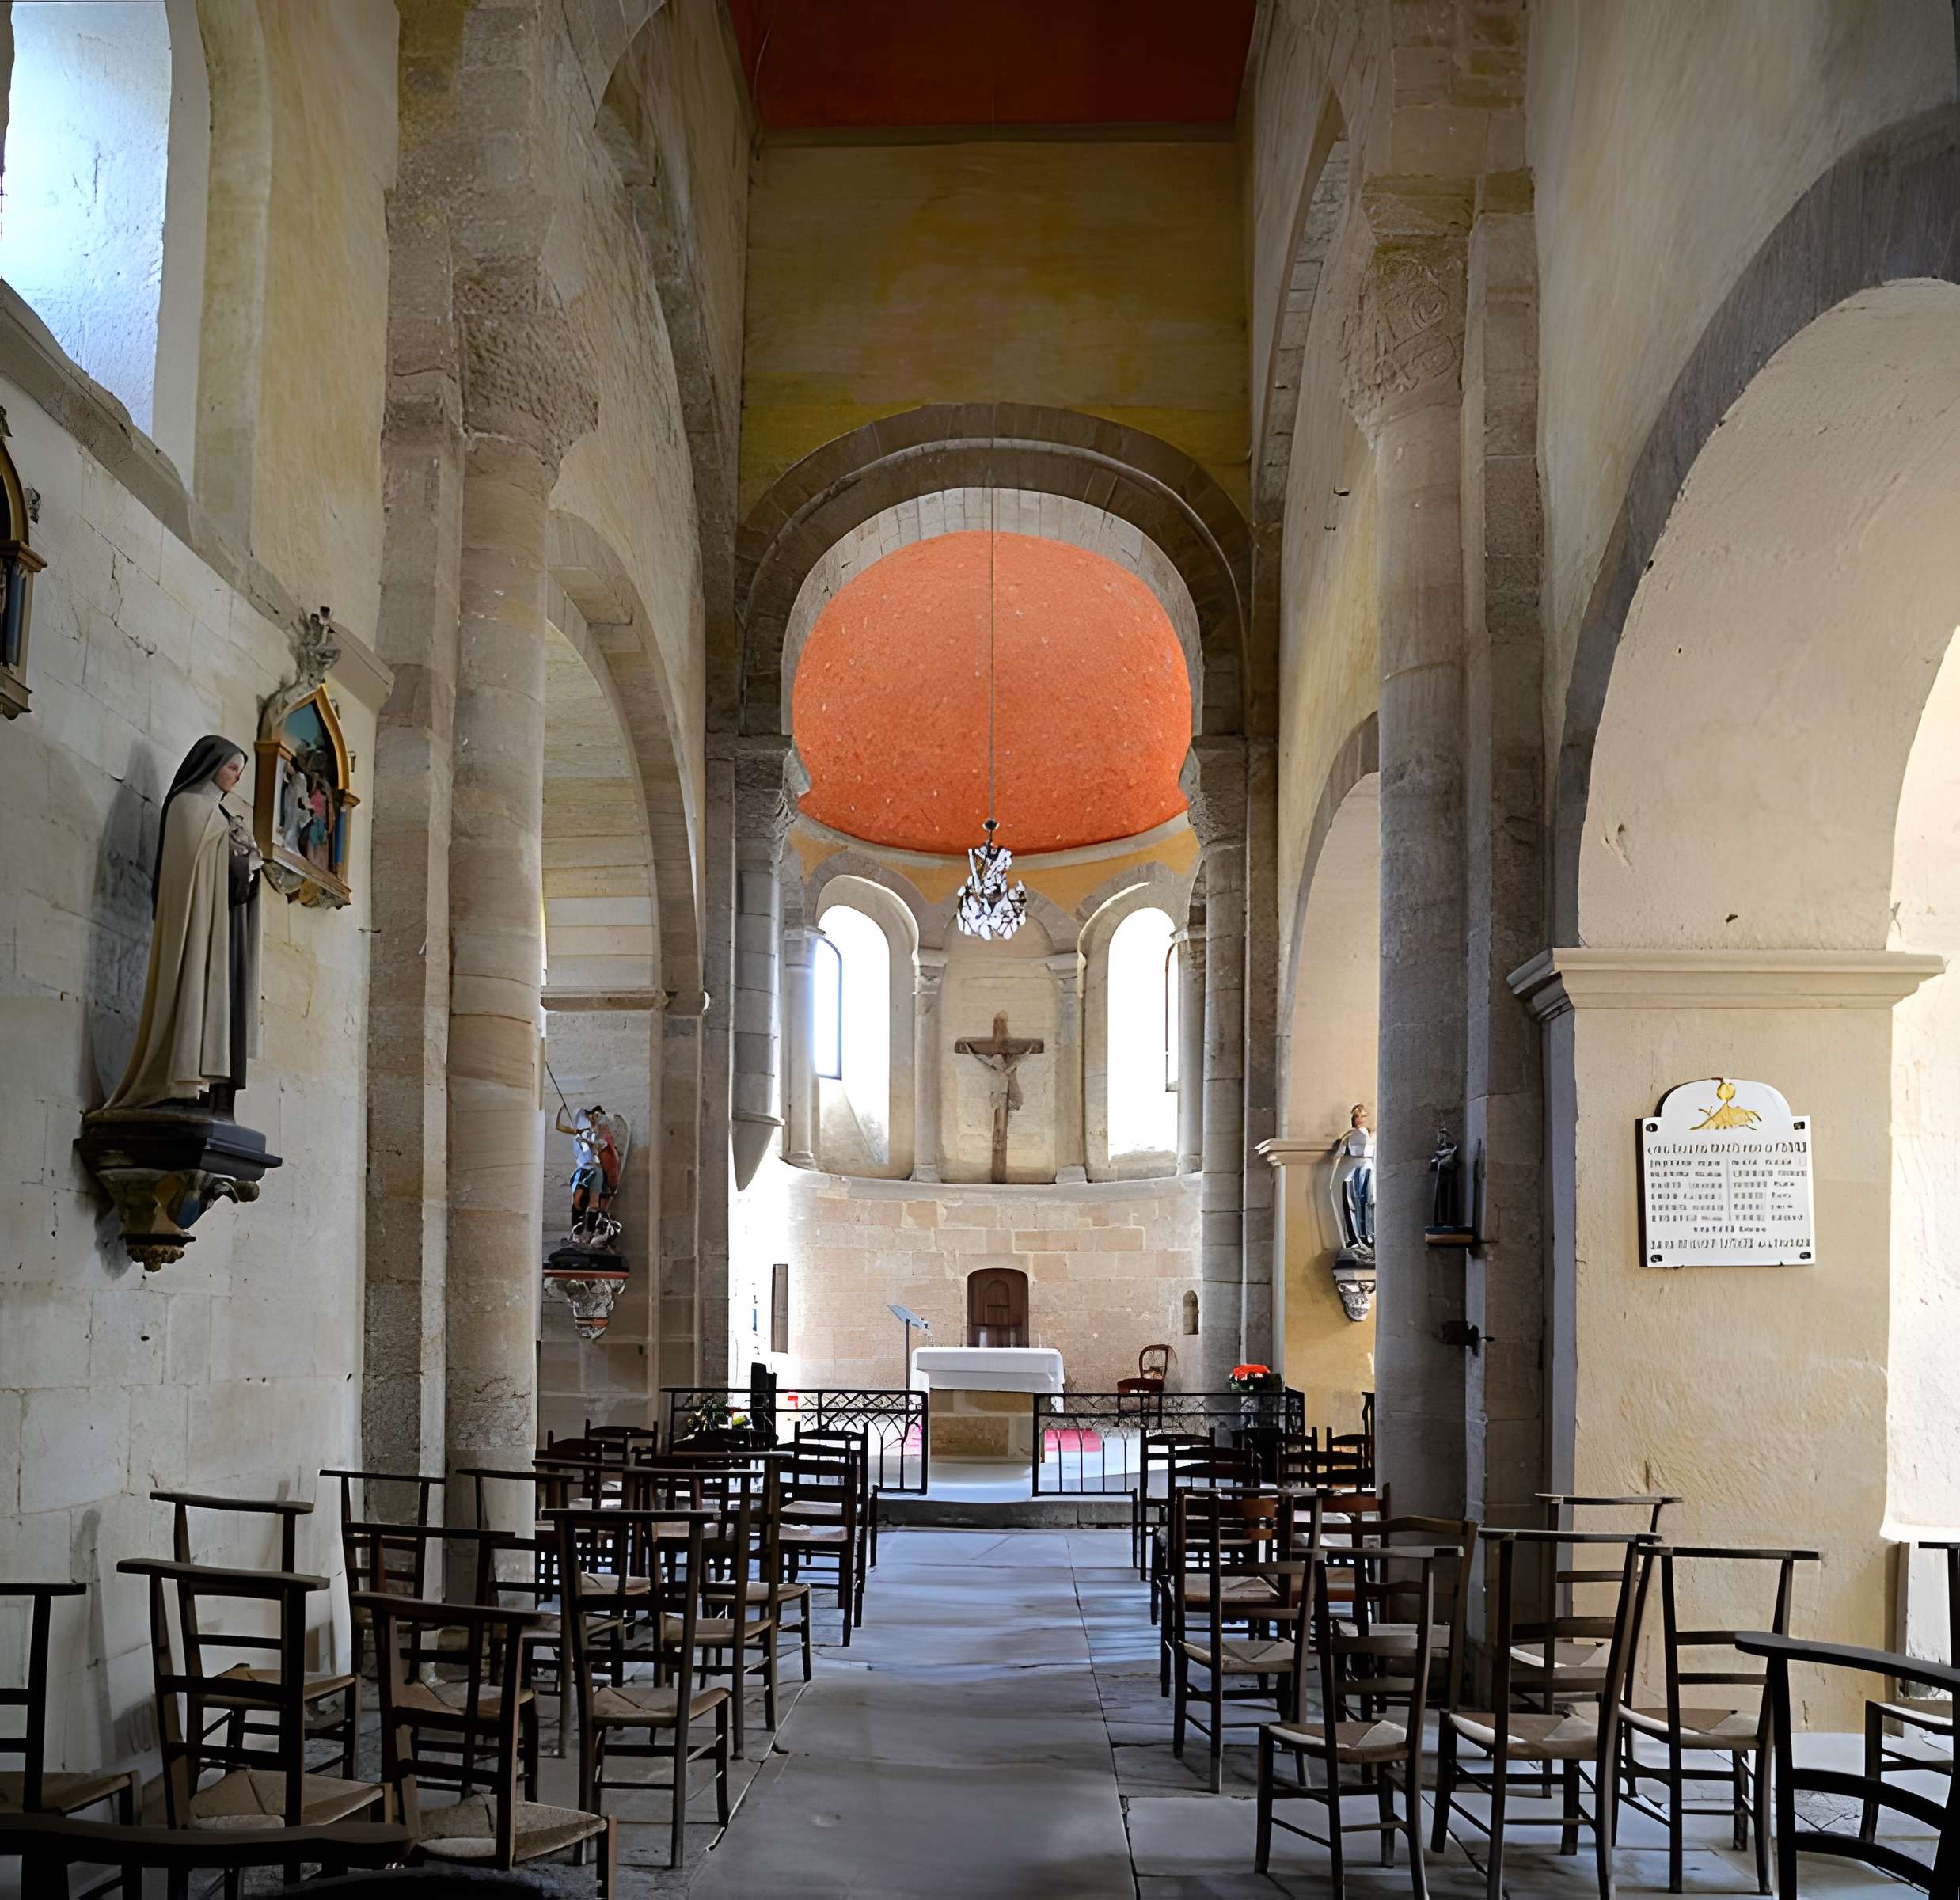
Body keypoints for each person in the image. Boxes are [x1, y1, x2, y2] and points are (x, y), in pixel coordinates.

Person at [103, 735, 262, 1114]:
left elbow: (230, 866)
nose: (235, 778)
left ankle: (211, 1088)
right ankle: (182, 1079)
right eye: (231, 768)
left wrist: (249, 865)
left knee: (224, 999)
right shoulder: (187, 807)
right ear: (210, 765)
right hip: (196, 926)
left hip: (224, 926)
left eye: (240, 771)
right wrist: (243, 862)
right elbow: (195, 866)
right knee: (192, 989)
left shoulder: (222, 816)